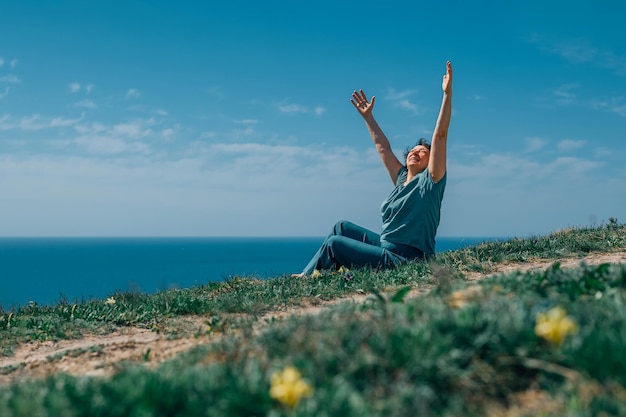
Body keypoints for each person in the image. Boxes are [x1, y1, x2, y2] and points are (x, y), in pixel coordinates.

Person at [295, 61, 453, 277]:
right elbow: (383, 148)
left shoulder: (431, 181)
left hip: (406, 259)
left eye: (422, 151)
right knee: (340, 228)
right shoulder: (402, 179)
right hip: (384, 247)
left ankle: (306, 279)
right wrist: (368, 118)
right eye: (412, 151)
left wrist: (446, 95)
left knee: (335, 244)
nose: (414, 153)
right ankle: (314, 273)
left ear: (431, 159)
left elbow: (440, 135)